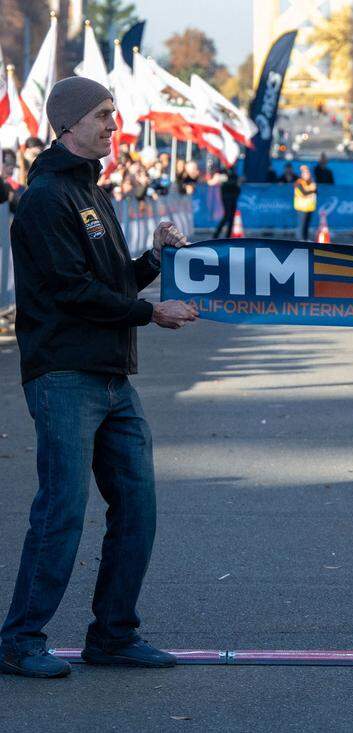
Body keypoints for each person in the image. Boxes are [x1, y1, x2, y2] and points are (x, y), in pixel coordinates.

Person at [0, 76, 198, 680]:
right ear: (68, 124)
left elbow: (111, 283)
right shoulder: (45, 198)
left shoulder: (92, 191)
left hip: (111, 376)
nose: (115, 125)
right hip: (64, 374)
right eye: (104, 115)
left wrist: (154, 261)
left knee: (138, 506)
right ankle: (19, 641)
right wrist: (150, 312)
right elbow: (69, 291)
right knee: (61, 510)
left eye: (114, 113)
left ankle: (113, 635)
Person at [213, 166, 242, 239]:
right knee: (227, 215)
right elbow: (228, 183)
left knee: (232, 217)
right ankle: (216, 234)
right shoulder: (223, 171)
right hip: (227, 197)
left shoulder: (234, 172)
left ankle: (228, 236)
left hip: (233, 197)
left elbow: (237, 185)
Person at [294, 165, 318, 241]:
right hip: (302, 207)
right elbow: (304, 193)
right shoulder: (299, 182)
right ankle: (301, 239)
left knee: (307, 225)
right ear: (302, 174)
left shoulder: (311, 182)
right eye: (306, 173)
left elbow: (316, 191)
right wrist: (312, 191)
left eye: (308, 173)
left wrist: (313, 189)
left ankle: (306, 239)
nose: (308, 175)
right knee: (302, 225)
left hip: (309, 207)